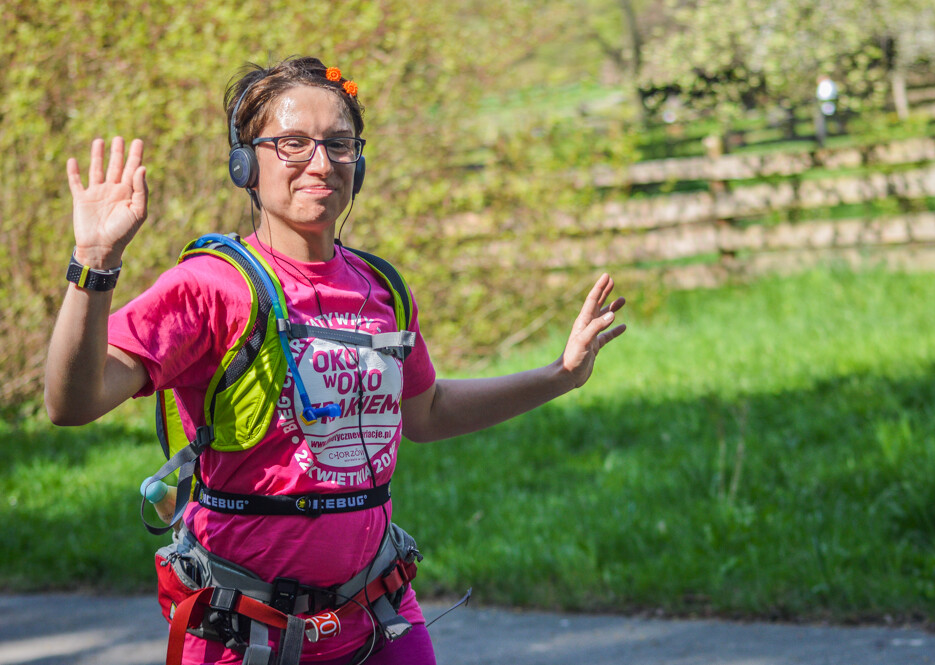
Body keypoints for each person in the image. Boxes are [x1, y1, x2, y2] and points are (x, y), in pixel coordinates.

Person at [44, 56, 626, 665]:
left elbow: (427, 411)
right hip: (241, 635)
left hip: (378, 619)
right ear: (248, 163)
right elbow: (72, 403)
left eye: (339, 144)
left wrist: (560, 376)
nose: (320, 163)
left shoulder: (382, 287)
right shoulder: (210, 286)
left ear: (360, 162)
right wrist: (94, 264)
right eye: (292, 144)